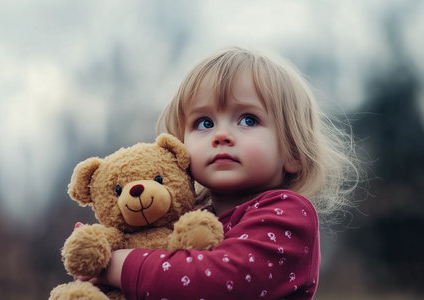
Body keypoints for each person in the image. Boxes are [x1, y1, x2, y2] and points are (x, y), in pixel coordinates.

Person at [85, 46, 359, 299]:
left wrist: (118, 265)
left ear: (293, 153)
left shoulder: (287, 214)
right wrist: (97, 268)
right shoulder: (187, 218)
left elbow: (217, 283)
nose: (222, 135)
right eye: (204, 122)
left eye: (248, 119)